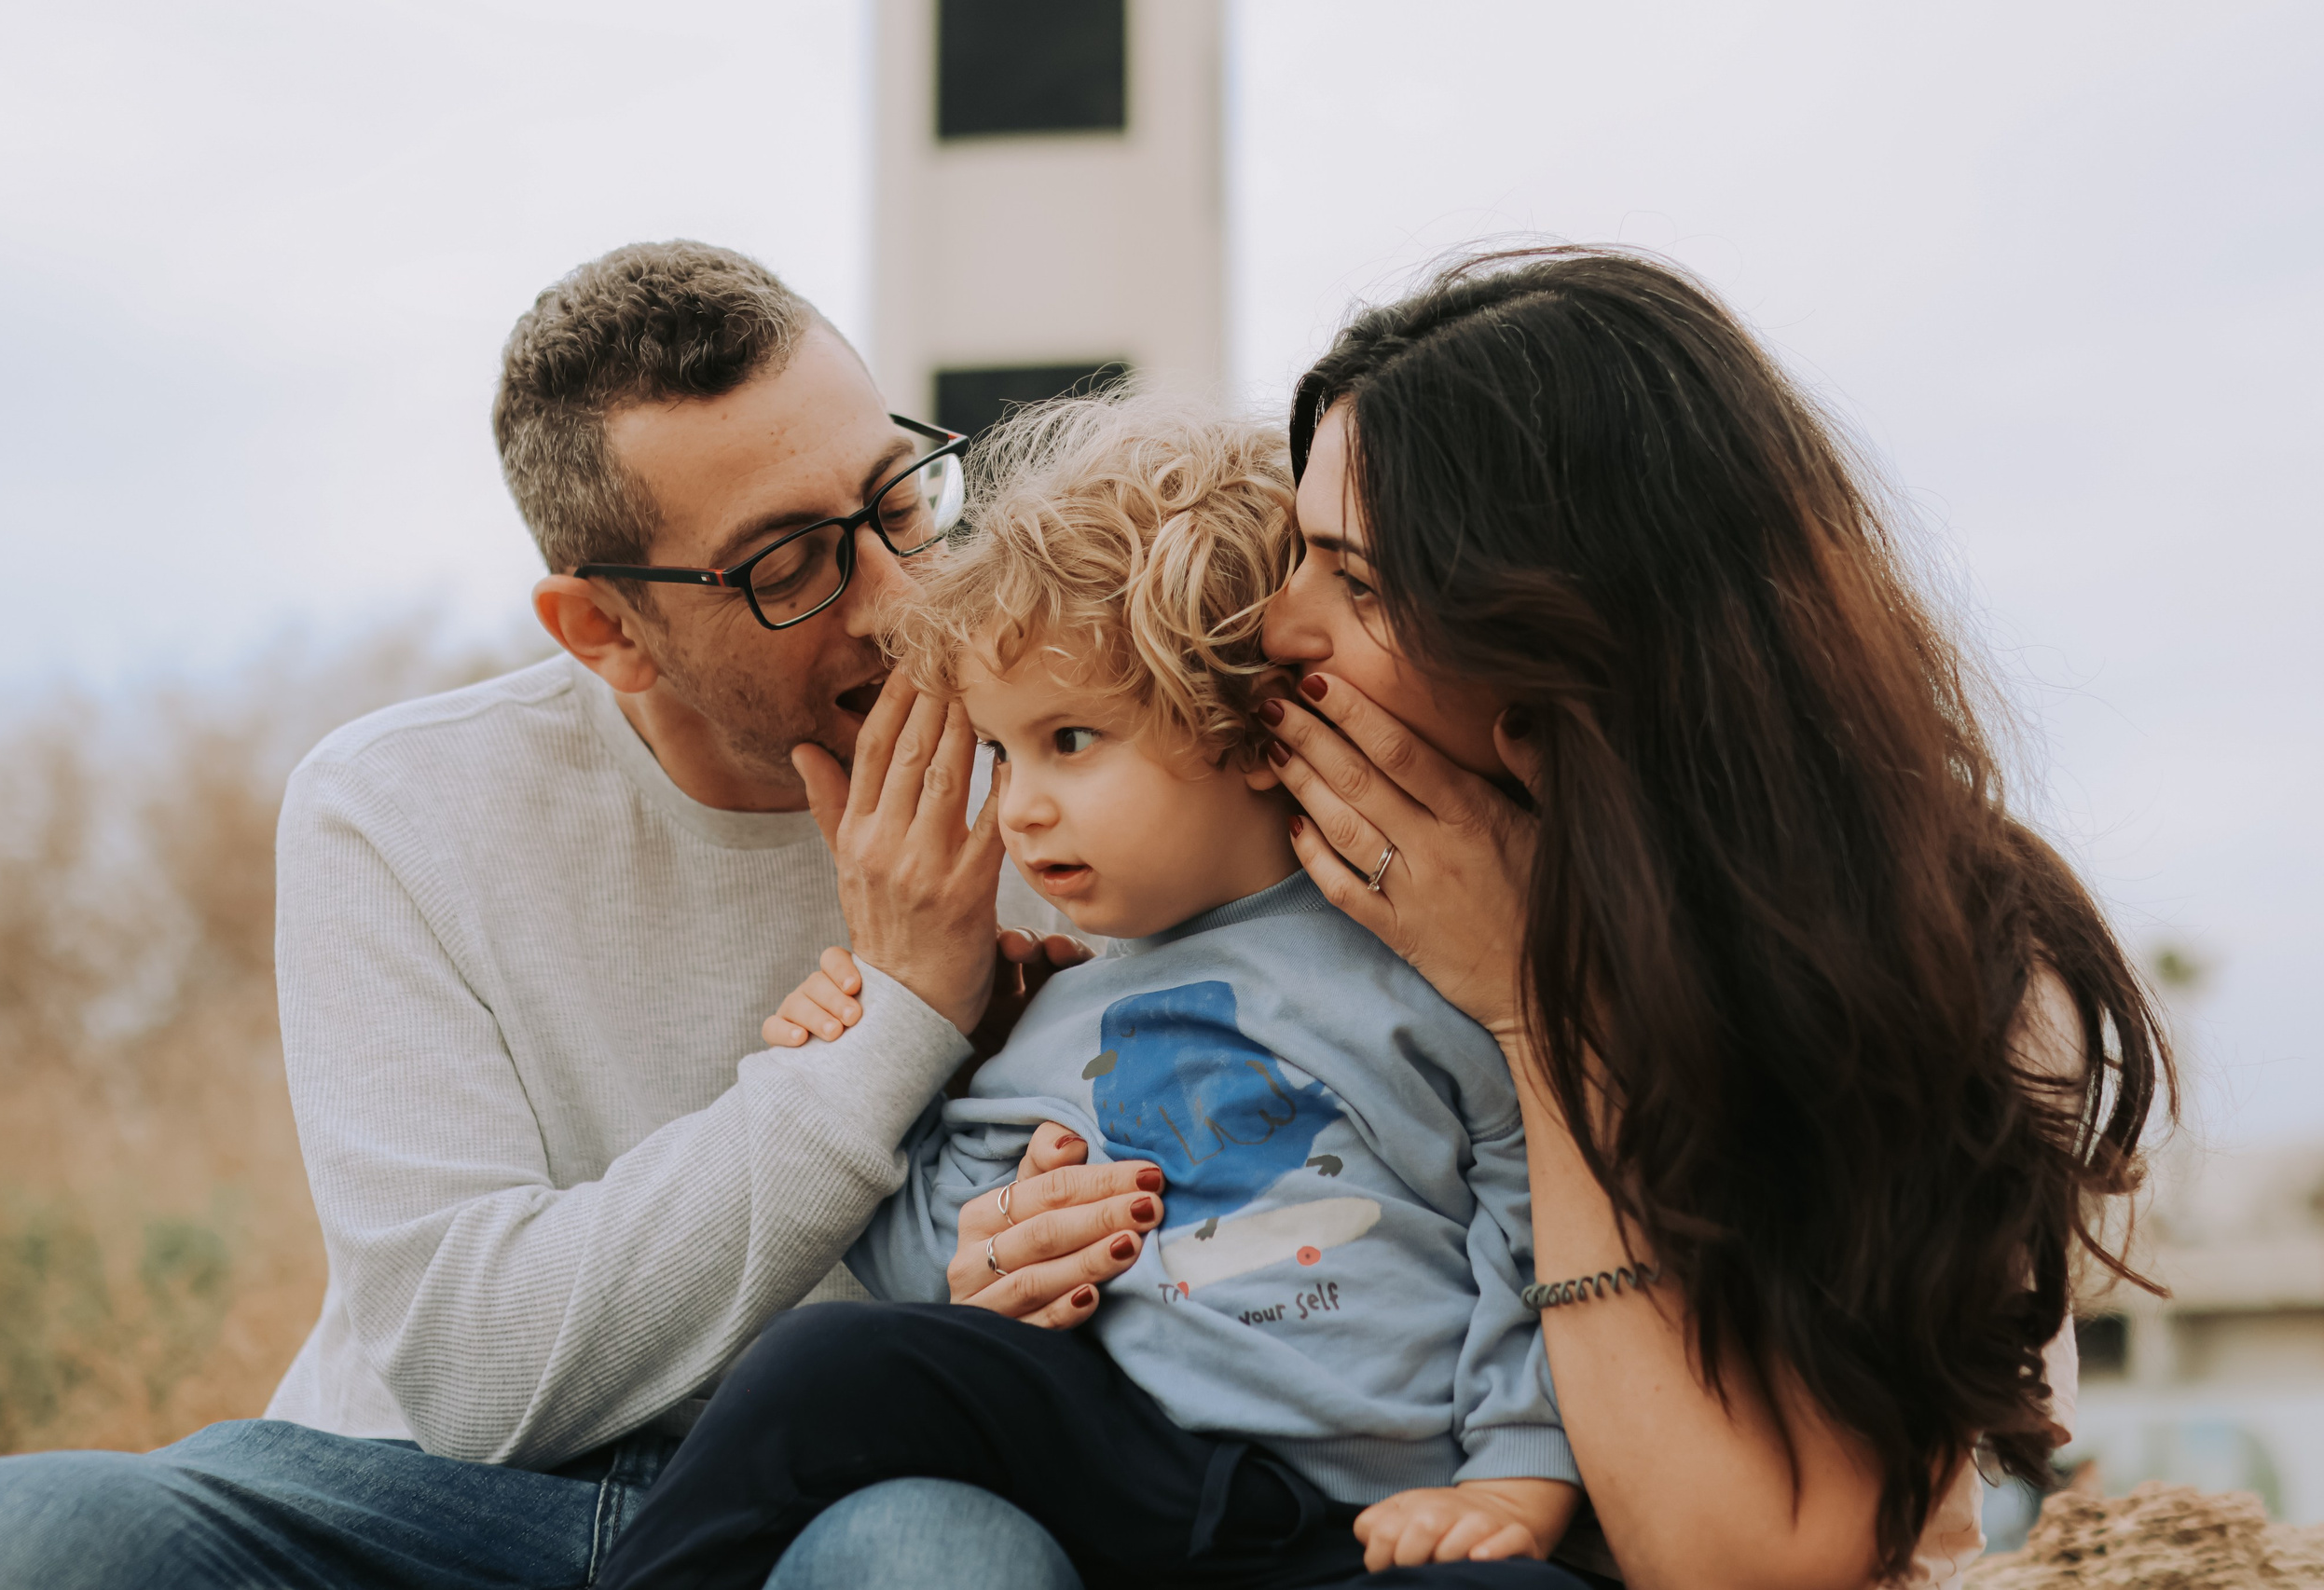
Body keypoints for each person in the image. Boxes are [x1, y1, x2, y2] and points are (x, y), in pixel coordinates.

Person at [0, 241, 1141, 1590]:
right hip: (422, 1499)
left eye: (897, 500)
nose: (896, 597)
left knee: (939, 1565)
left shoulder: (1081, 780)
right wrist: (900, 1021)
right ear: (604, 630)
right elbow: (472, 1366)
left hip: (841, 1498)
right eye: (789, 562)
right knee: (0, 1544)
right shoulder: (395, 805)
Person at [1248, 246, 2164, 1588]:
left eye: (1362, 582)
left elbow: (1739, 1560)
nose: (1279, 625)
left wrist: (1531, 1005)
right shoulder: (1324, 879)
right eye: (1299, 553)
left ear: (1569, 645)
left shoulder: (1944, 958)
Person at [598, 395, 1593, 1590]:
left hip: (1370, 1521)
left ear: (1241, 725)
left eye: (1070, 739)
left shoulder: (1426, 950)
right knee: (828, 1361)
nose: (1017, 805)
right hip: (1119, 1473)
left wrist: (1516, 1467)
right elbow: (938, 1277)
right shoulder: (1050, 1010)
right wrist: (884, 1060)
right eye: (1002, 750)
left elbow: (1539, 1210)